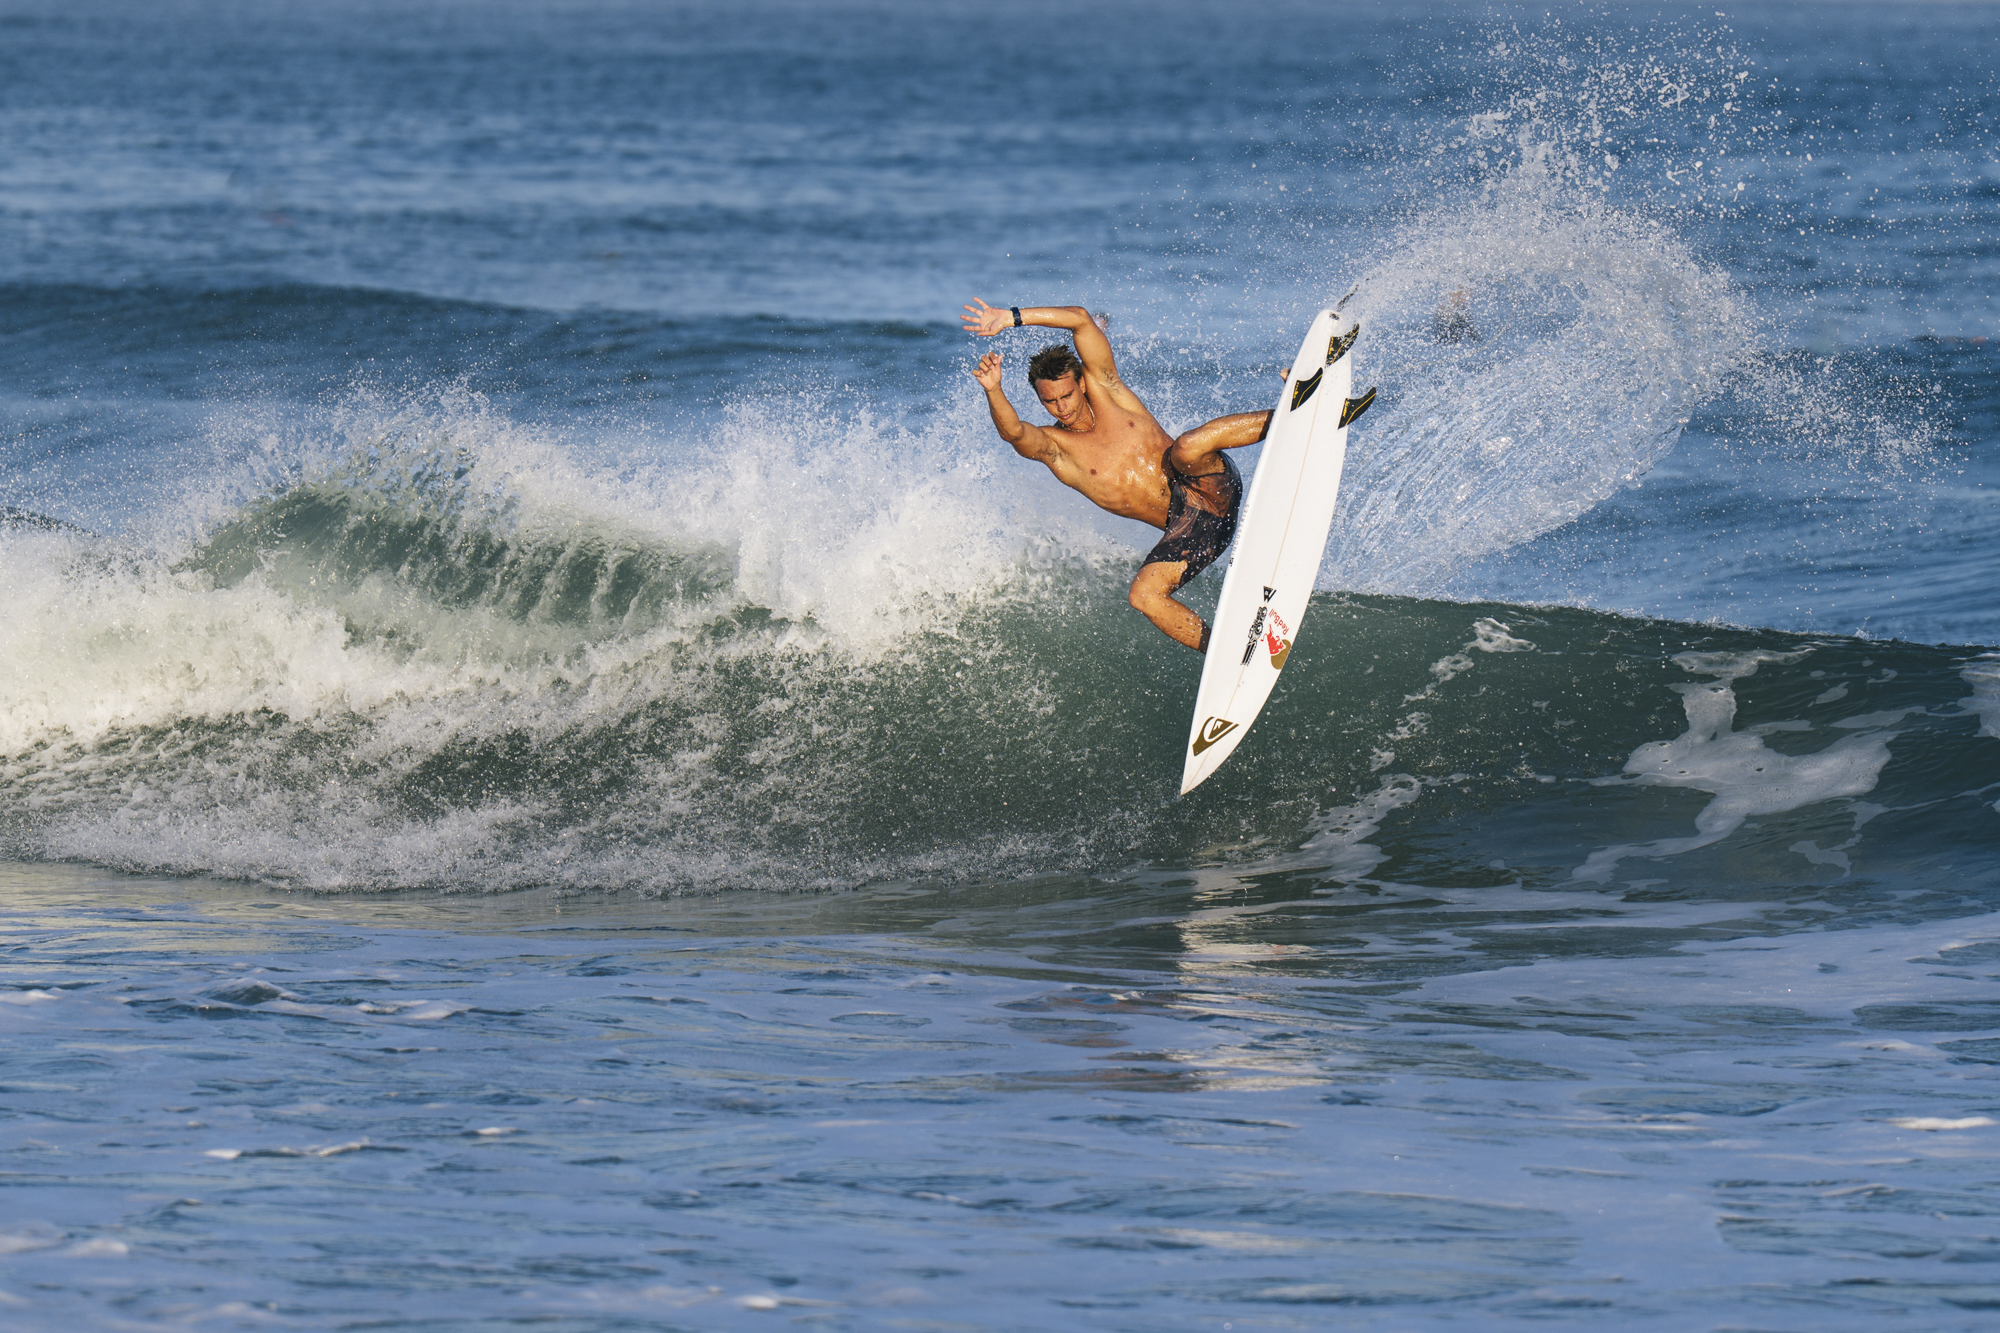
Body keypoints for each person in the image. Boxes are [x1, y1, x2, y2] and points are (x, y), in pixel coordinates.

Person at [961, 298, 1272, 653]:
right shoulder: (1056, 448)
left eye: (1067, 394)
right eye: (1050, 402)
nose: (1062, 406)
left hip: (1213, 484)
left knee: (1186, 448)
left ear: (1081, 382)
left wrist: (1010, 318)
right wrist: (993, 389)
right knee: (1142, 596)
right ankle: (1228, 653)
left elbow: (1079, 320)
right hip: (1197, 532)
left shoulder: (1109, 391)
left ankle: (1290, 413)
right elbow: (1014, 432)